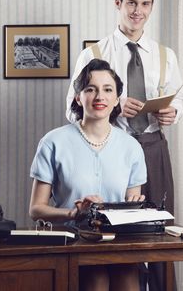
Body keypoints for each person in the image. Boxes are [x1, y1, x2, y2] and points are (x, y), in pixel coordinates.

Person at [66, 0, 183, 291]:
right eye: (131, 2)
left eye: (145, 4)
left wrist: (174, 111)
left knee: (160, 231)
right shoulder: (93, 55)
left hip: (153, 149)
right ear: (118, 3)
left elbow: (181, 98)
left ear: (151, 6)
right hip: (109, 152)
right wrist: (112, 106)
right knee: (110, 233)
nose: (138, 10)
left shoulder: (166, 56)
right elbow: (71, 109)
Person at [29, 58, 147, 291]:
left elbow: (132, 206)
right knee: (96, 278)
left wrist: (135, 208)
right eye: (90, 89)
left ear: (116, 100)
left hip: (118, 243)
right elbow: (36, 209)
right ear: (78, 97)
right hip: (73, 241)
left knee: (128, 277)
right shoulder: (53, 141)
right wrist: (76, 212)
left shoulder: (131, 146)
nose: (99, 96)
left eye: (107, 90)